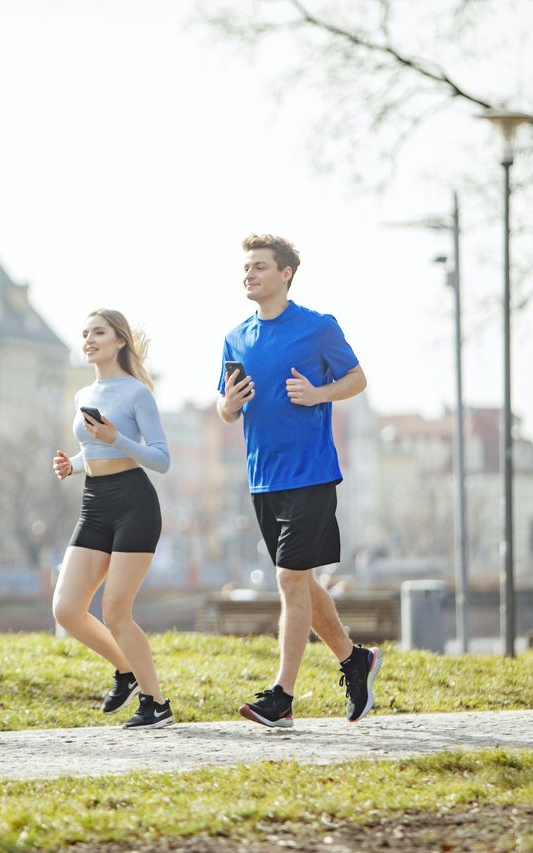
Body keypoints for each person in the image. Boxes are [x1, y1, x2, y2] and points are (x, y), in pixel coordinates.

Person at [217, 233, 380, 729]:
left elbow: (357, 379)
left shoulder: (317, 328)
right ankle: (356, 661)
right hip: (262, 478)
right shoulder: (236, 337)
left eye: (260, 267)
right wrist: (230, 404)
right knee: (302, 581)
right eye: (246, 268)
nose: (250, 275)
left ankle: (282, 697)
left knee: (289, 579)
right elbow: (224, 408)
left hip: (310, 473)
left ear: (285, 273)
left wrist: (318, 394)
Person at [51, 309, 174, 729]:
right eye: (85, 333)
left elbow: (160, 458)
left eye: (98, 332)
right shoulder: (82, 393)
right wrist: (76, 465)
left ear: (119, 340)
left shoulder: (137, 393)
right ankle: (127, 671)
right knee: (66, 609)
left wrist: (115, 437)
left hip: (134, 503)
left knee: (116, 610)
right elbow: (97, 451)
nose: (88, 340)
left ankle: (156, 704)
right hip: (94, 503)